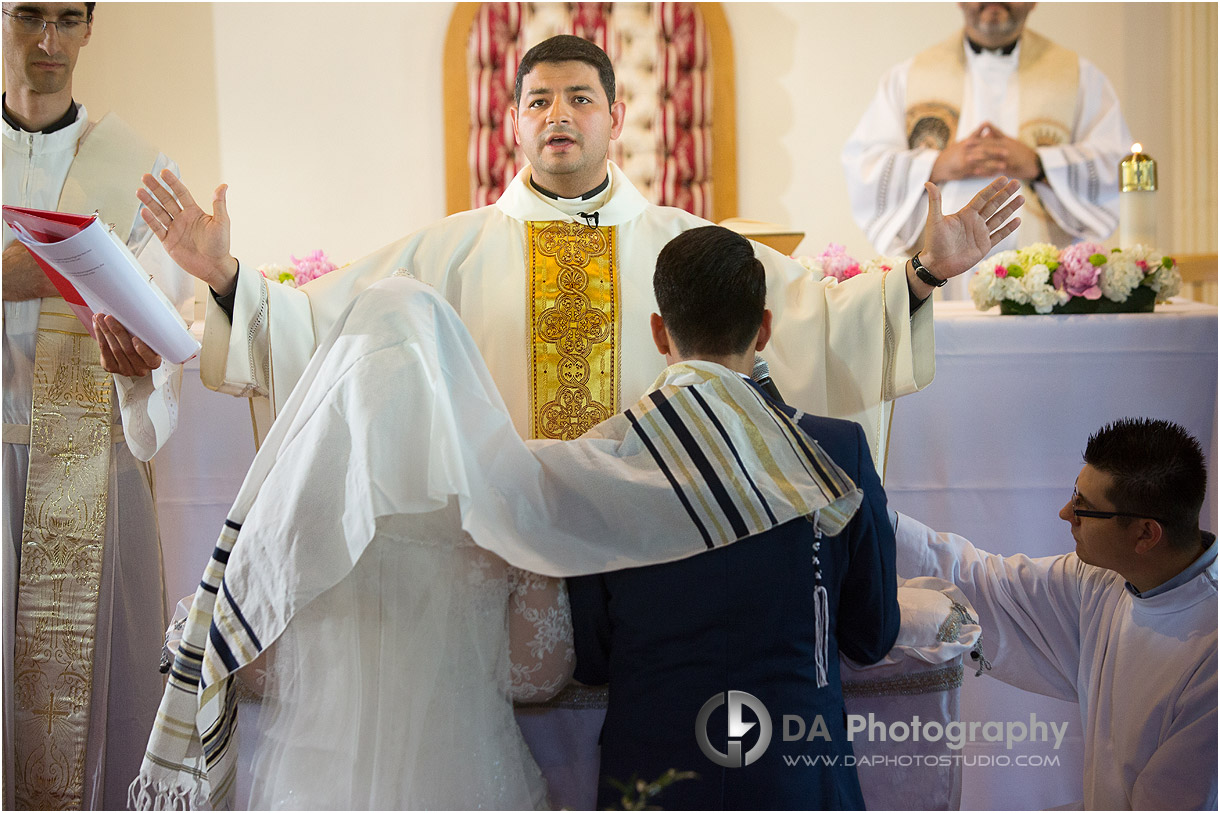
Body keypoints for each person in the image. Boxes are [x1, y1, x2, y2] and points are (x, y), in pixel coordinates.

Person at [124, 34, 1020, 807]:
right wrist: (228, 280)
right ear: (512, 123)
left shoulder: (685, 241)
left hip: (662, 599)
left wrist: (921, 279)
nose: (560, 114)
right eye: (539, 100)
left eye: (581, 98)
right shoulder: (447, 249)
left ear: (617, 115)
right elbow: (328, 336)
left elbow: (823, 323)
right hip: (504, 580)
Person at [132, 272, 870, 810]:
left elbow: (251, 668)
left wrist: (349, 680)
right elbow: (539, 676)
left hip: (312, 786)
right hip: (467, 781)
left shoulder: (293, 519)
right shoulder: (489, 516)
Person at [568, 225, 898, 809]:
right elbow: (871, 635)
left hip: (653, 777)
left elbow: (592, 659)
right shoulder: (834, 451)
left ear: (658, 332)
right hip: (797, 776)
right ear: (764, 329)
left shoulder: (602, 458)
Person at [1, 2, 194, 809]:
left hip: (89, 467)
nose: (49, 42)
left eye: (68, 19)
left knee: (105, 711)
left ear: (90, 28)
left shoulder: (139, 169)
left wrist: (146, 360)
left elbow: (164, 313)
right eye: (28, 16)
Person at [893, 418, 1217, 810]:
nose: (1066, 513)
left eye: (1084, 507)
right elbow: (985, 584)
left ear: (1146, 535)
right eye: (1074, 495)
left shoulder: (1208, 658)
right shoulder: (1104, 579)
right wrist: (875, 524)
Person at [842, 2, 1132, 300]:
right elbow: (864, 166)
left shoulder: (1080, 77)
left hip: (1046, 285)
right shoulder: (906, 77)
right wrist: (937, 164)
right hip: (941, 285)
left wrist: (1040, 163)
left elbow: (1114, 163)